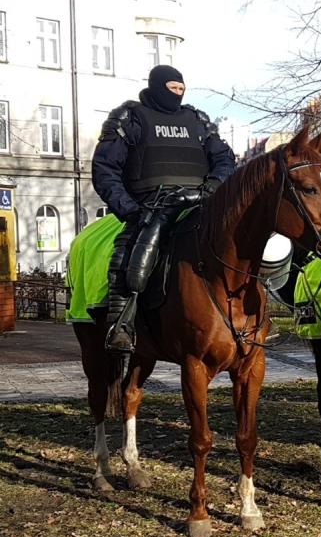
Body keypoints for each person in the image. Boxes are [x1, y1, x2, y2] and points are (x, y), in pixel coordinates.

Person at [92, 65, 237, 353]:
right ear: (157, 86)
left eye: (182, 89)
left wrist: (213, 186)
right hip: (153, 205)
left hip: (200, 202)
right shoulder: (129, 117)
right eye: (172, 88)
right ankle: (122, 324)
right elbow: (105, 168)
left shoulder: (197, 120)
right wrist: (130, 209)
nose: (178, 94)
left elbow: (224, 159)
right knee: (131, 253)